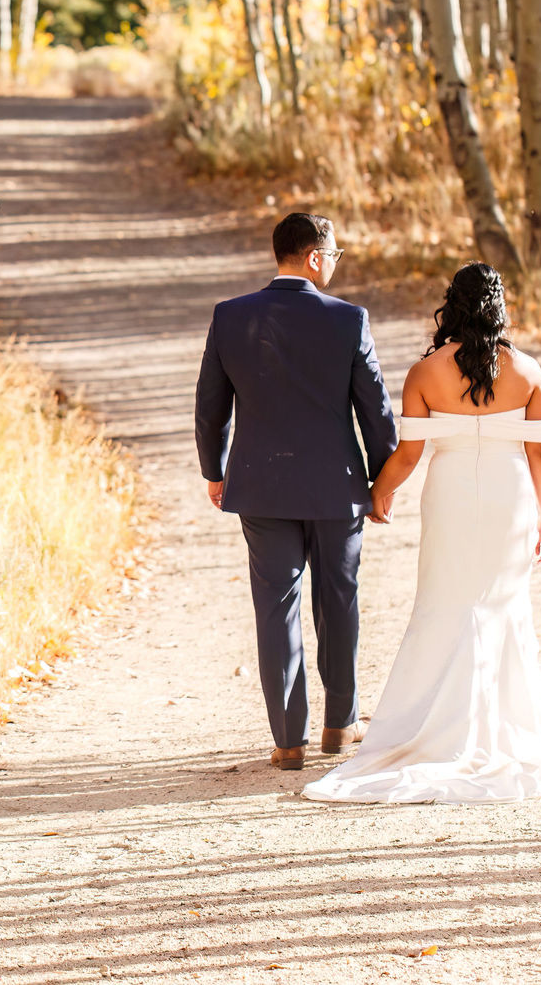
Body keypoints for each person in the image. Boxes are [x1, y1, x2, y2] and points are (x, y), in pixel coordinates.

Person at [304, 262, 541, 804]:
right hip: (509, 498)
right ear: (500, 309)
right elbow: (538, 454)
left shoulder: (426, 373)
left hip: (450, 495)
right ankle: (500, 728)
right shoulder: (527, 372)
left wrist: (380, 490)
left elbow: (409, 453)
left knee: (445, 602)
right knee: (501, 606)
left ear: (451, 306)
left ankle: (432, 726)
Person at [194, 212, 398, 772]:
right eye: (333, 255)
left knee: (275, 608)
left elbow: (211, 405)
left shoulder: (230, 317)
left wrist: (215, 469)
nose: (334, 264)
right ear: (314, 256)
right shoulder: (348, 320)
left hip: (261, 487)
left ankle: (289, 741)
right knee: (339, 599)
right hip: (337, 489)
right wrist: (383, 479)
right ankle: (340, 723)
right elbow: (375, 410)